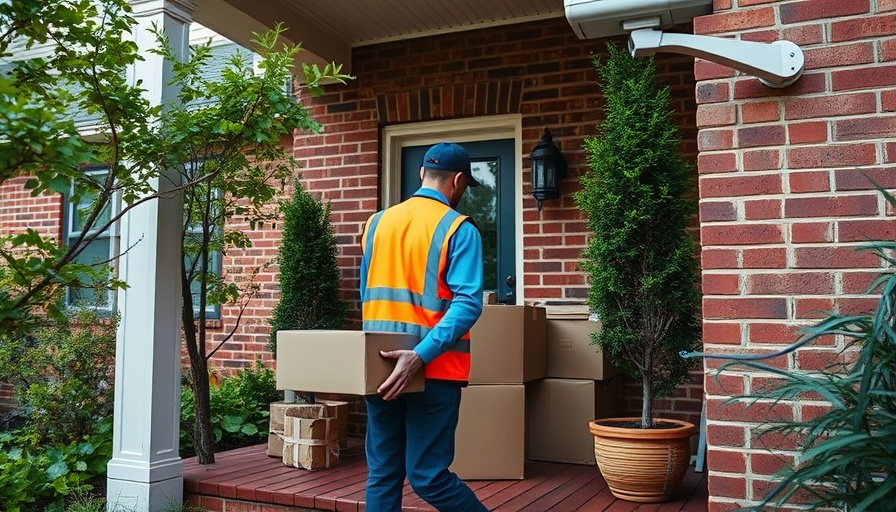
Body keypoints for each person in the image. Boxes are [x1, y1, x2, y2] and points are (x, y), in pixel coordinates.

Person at [359, 142, 488, 512]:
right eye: (464, 186)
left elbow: (366, 296)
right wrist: (418, 356)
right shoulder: (459, 229)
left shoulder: (376, 223)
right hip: (434, 372)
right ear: (458, 181)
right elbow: (467, 305)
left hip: (380, 369)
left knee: (383, 473)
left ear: (421, 175)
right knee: (428, 475)